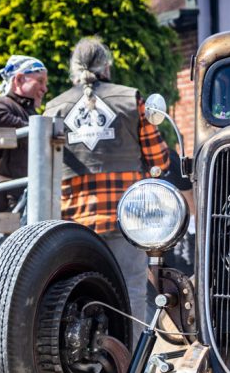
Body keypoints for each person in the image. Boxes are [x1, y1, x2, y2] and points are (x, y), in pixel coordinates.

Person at [44, 37, 170, 331]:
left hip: (74, 224)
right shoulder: (130, 99)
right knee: (131, 293)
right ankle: (133, 369)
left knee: (78, 295)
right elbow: (160, 159)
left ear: (72, 70)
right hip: (126, 220)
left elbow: (45, 168)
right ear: (107, 67)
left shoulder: (54, 107)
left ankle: (88, 365)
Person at [0, 55, 47, 213]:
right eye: (40, 81)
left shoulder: (26, 111)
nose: (44, 88)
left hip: (20, 195)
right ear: (18, 80)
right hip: (4, 200)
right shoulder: (2, 105)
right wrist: (38, 130)